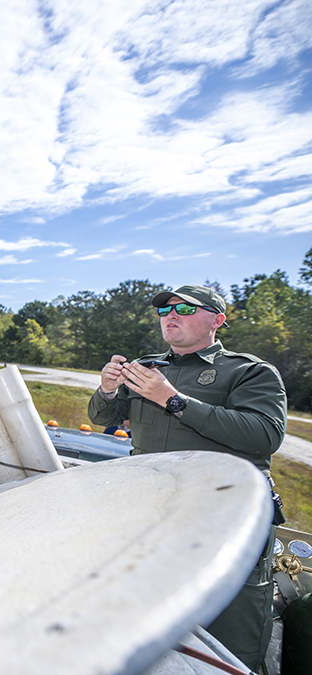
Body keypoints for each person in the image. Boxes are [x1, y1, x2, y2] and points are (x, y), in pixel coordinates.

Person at [88, 284, 287, 671]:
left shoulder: (249, 371)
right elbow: (102, 418)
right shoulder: (147, 367)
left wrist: (174, 401)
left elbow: (265, 435)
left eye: (183, 308)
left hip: (225, 518)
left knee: (230, 633)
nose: (170, 316)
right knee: (148, 617)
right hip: (149, 515)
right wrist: (108, 390)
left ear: (217, 319)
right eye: (164, 311)